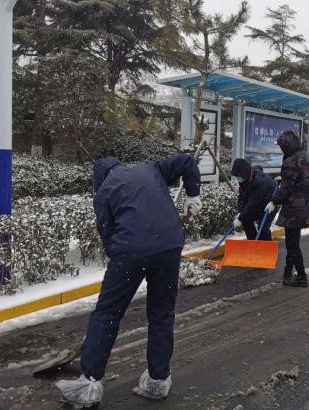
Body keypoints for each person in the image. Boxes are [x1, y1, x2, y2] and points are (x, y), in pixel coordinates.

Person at [56, 154, 202, 408]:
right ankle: (158, 380)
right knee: (162, 314)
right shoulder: (151, 168)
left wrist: (123, 255)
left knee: (107, 314)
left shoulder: (103, 192)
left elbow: (107, 233)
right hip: (169, 246)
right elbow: (188, 161)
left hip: (130, 252)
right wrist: (193, 195)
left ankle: (89, 385)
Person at [265, 131, 309, 288]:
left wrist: (274, 202)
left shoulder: (291, 161)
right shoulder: (306, 156)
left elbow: (287, 188)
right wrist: (284, 178)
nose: (280, 149)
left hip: (295, 207)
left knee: (292, 244)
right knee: (292, 241)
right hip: (305, 204)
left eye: (281, 146)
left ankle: (301, 277)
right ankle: (287, 274)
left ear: (286, 146)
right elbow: (299, 178)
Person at [231, 158, 277, 240]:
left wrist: (240, 218)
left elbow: (253, 202)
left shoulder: (260, 181)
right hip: (257, 203)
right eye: (237, 176)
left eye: (239, 176)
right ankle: (253, 244)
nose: (238, 178)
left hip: (270, 204)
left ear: (245, 172)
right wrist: (240, 211)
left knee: (262, 229)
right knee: (246, 221)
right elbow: (242, 196)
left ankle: (266, 246)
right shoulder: (244, 179)